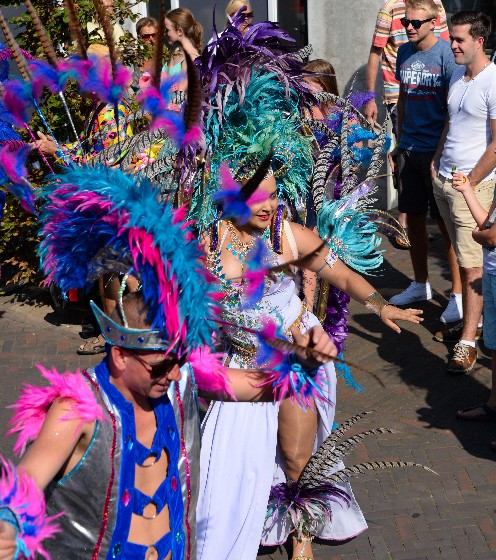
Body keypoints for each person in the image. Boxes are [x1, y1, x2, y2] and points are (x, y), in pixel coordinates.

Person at [0, 165, 337, 560]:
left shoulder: (181, 380)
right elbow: (25, 483)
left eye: (179, 360)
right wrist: (7, 522)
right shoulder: (78, 409)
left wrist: (305, 366)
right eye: (160, 365)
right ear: (121, 355)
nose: (175, 374)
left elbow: (254, 386)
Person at [197, 170, 423, 560]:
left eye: (274, 195)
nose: (270, 206)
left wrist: (381, 305)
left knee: (296, 455)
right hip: (241, 362)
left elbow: (343, 276)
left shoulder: (288, 235)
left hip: (298, 357)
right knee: (229, 467)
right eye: (258, 198)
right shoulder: (205, 246)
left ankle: (301, 530)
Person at [431, 11, 496, 373]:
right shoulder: (458, 77)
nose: (453, 45)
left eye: (460, 39)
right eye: (452, 38)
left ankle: (468, 341)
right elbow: (451, 122)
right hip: (445, 181)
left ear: (480, 41)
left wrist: (473, 183)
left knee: (474, 263)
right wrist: (436, 161)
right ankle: (469, 319)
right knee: (457, 253)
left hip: (472, 188)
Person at [388, 0, 462, 323]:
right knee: (413, 220)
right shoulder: (404, 52)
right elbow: (403, 98)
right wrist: (399, 142)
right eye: (406, 23)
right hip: (409, 148)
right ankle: (421, 284)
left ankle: (458, 296)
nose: (410, 28)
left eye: (416, 23)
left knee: (446, 226)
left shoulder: (447, 54)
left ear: (433, 22)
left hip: (437, 151)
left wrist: (440, 150)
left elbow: (453, 107)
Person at [364, 0, 449, 238]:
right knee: (404, 153)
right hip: (397, 91)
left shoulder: (437, 7)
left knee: (429, 153)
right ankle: (405, 218)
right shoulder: (390, 8)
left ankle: (430, 215)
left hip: (431, 91)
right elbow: (376, 52)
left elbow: (447, 49)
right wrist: (369, 97)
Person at [452, 117, 496, 450]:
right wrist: (468, 190)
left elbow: (491, 236)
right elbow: (487, 223)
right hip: (495, 275)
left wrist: (480, 235)